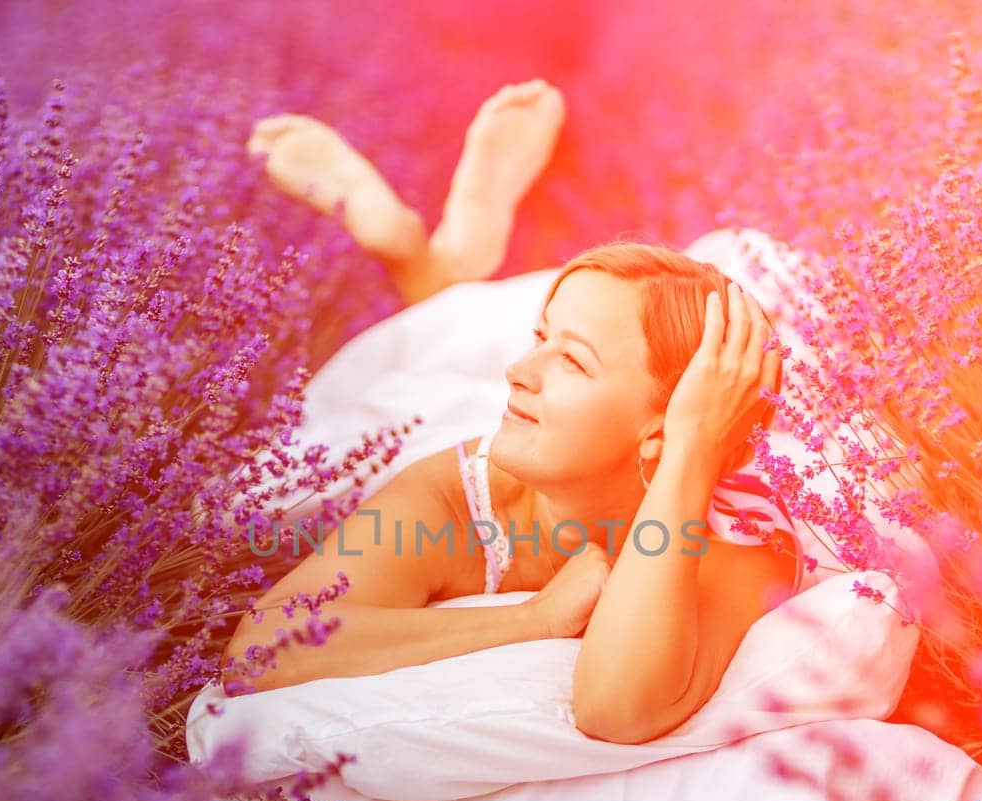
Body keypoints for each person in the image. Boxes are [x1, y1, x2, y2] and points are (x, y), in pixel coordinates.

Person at [229, 80, 801, 746]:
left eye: (573, 362)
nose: (518, 371)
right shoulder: (459, 492)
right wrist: (532, 619)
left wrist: (692, 449)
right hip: (474, 430)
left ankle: (439, 275)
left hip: (627, 445)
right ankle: (429, 270)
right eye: (540, 339)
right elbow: (262, 648)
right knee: (423, 377)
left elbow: (616, 707)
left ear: (665, 429)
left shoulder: (736, 542)